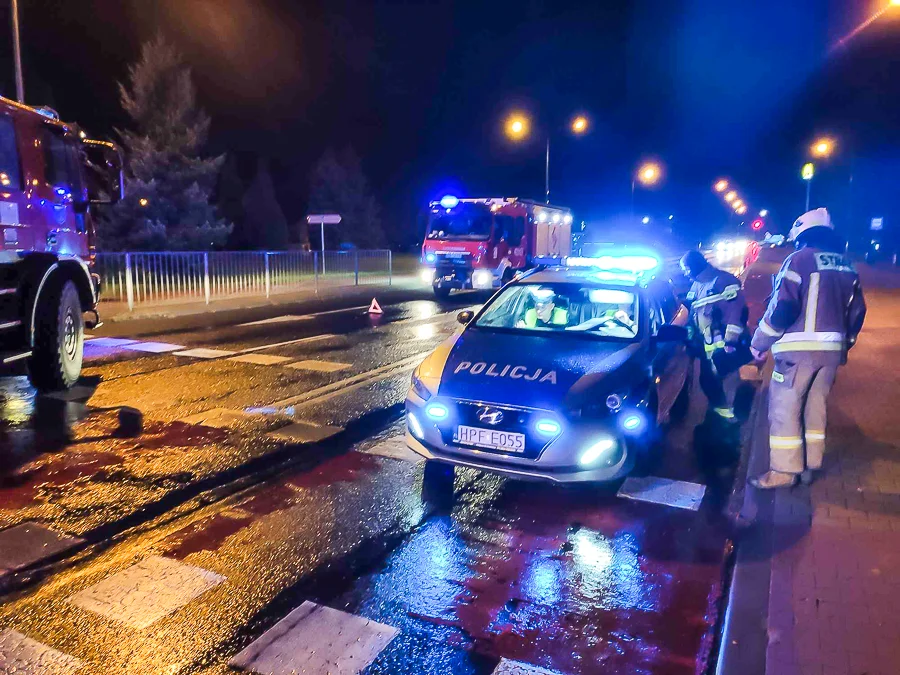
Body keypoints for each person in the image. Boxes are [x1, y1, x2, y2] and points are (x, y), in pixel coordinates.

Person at [749, 208, 866, 489]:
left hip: (797, 354)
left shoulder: (799, 260)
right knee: (816, 408)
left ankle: (784, 472)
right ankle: (811, 465)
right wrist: (844, 345)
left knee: (784, 408)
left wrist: (759, 343)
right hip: (831, 355)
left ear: (803, 234)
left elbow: (784, 307)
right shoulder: (846, 266)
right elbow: (858, 312)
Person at [680, 249, 750, 421]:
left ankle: (730, 417)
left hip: (725, 343)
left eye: (686, 270)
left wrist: (730, 342)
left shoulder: (724, 281)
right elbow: (692, 313)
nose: (685, 274)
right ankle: (721, 411)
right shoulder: (696, 285)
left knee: (728, 378)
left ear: (694, 266)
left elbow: (736, 311)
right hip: (707, 344)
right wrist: (690, 334)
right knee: (708, 380)